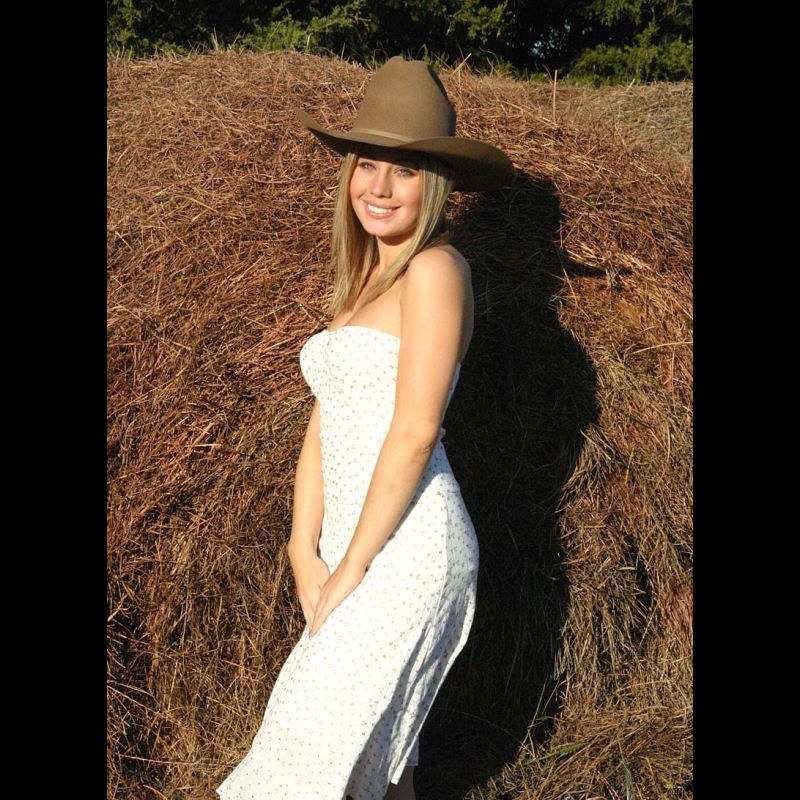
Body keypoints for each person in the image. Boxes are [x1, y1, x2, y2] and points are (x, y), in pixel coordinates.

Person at [217, 56, 514, 800]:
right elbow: (325, 420)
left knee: (298, 760)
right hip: (356, 545)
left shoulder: (435, 271)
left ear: (437, 183)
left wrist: (351, 566)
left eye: (405, 170)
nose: (379, 188)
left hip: (408, 551)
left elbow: (415, 432)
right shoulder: (363, 285)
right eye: (368, 165)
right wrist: (301, 545)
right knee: (377, 769)